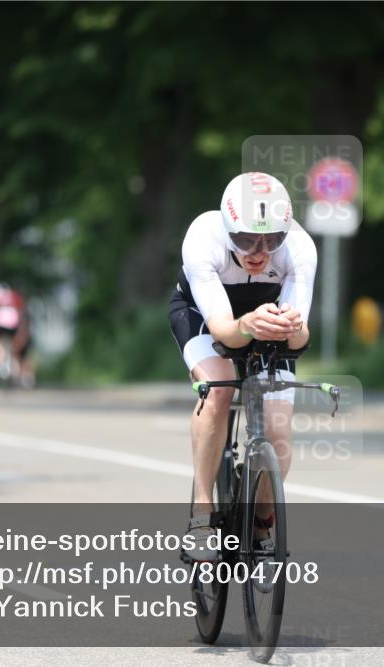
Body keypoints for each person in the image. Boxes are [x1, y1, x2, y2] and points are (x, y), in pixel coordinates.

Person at [169, 172, 316, 560]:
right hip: (206, 317)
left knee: (278, 430)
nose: (258, 251)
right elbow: (223, 331)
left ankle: (262, 523)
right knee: (219, 390)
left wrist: (294, 327)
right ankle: (202, 513)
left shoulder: (300, 247)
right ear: (227, 228)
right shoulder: (203, 237)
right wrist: (247, 325)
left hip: (266, 319)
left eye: (271, 240)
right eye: (246, 239)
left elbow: (299, 342)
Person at [0, 282, 34, 387]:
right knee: (16, 347)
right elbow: (22, 313)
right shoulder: (14, 296)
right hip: (14, 324)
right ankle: (13, 363)